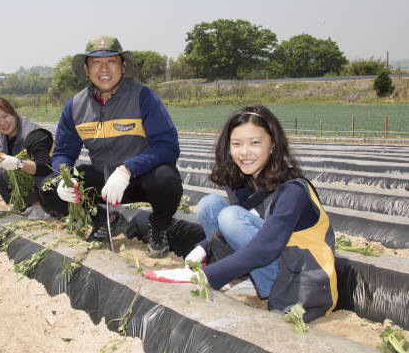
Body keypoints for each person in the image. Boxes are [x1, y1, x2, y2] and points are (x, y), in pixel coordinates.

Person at [145, 105, 338, 322]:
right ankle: (249, 280)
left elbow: (266, 247)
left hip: (302, 275)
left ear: (273, 144)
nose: (244, 152)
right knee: (210, 205)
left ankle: (268, 286)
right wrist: (203, 248)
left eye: (255, 143)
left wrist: (203, 276)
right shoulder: (245, 181)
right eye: (236, 144)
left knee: (231, 217)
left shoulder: (292, 190)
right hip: (276, 258)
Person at [45, 35, 183, 258]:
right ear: (86, 69)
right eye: (96, 63)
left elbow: (168, 146)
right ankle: (106, 221)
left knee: (167, 178)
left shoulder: (143, 97)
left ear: (123, 66)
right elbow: (62, 152)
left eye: (112, 62)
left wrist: (127, 169)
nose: (104, 69)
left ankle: (158, 228)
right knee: (50, 188)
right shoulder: (75, 106)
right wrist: (63, 176)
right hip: (104, 182)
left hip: (141, 179)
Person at [0, 97, 56, 220]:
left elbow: (45, 167)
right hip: (25, 188)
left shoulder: (34, 135)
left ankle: (40, 206)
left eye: (5, 116)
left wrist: (18, 164)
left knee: (19, 169)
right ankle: (20, 204)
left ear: (13, 113)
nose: (2, 123)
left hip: (49, 186)